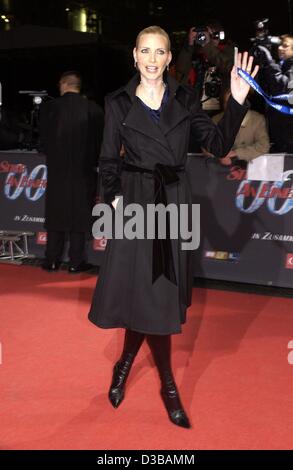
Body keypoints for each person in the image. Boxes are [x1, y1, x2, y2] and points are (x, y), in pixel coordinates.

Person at [88, 26, 258, 428]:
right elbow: (108, 162)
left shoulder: (185, 99)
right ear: (134, 55)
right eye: (144, 50)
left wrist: (235, 101)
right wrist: (111, 214)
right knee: (141, 299)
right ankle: (158, 382)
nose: (151, 58)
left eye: (159, 51)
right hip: (132, 204)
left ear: (168, 58)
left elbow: (216, 145)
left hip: (173, 202)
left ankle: (139, 373)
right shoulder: (117, 102)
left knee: (156, 299)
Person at [40, 71, 104, 273]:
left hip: (57, 171)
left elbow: (43, 141)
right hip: (83, 172)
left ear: (63, 84)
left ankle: (51, 260)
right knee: (80, 215)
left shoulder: (49, 108)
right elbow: (101, 141)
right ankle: (76, 262)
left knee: (55, 213)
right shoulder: (93, 109)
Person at [176, 19, 235, 114]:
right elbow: (181, 69)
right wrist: (189, 44)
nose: (211, 40)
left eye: (214, 36)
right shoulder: (195, 53)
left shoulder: (229, 51)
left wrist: (207, 46)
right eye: (206, 36)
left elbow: (229, 66)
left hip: (220, 109)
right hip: (195, 107)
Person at [255, 35, 293, 153]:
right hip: (279, 126)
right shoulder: (281, 65)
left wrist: (269, 61)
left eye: (285, 46)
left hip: (288, 130)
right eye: (279, 45)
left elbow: (284, 87)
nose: (280, 48)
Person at [212, 88, 270, 165]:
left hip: (249, 167)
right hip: (220, 169)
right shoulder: (216, 120)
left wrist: (236, 153)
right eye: (227, 102)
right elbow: (206, 146)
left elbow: (264, 146)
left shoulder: (257, 120)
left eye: (234, 103)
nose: (230, 106)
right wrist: (220, 156)